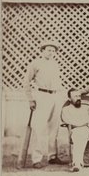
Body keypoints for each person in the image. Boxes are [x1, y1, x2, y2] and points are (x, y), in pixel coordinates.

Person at [23, 39, 66, 168]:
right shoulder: (35, 63)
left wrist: (61, 96)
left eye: (53, 51)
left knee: (54, 127)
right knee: (39, 127)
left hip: (55, 96)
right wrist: (30, 99)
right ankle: (37, 159)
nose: (51, 53)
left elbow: (57, 83)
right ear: (42, 51)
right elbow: (26, 82)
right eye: (48, 50)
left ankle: (52, 156)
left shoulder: (55, 64)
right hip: (42, 95)